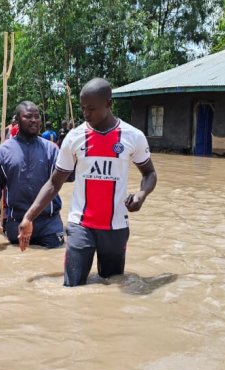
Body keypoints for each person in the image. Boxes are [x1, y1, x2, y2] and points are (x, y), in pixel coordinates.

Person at [18, 78, 157, 287]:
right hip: (80, 225)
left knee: (113, 285)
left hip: (116, 227)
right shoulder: (74, 138)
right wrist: (29, 217)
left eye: (91, 108)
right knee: (72, 288)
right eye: (82, 108)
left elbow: (150, 174)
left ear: (109, 104)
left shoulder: (133, 137)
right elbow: (54, 183)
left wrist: (141, 195)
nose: (85, 114)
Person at [0, 101, 63, 248]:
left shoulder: (52, 150)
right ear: (17, 120)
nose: (34, 120)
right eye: (28, 116)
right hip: (17, 223)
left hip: (49, 224)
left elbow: (63, 179)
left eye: (37, 116)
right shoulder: (3, 151)